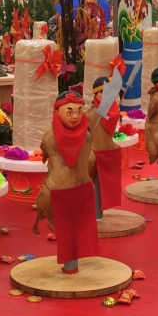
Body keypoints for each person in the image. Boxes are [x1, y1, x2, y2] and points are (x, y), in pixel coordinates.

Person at [35, 91, 99, 274]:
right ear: (57, 112)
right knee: (70, 230)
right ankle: (71, 265)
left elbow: (45, 158)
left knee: (73, 230)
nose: (75, 116)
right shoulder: (56, 137)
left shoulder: (52, 137)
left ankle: (71, 266)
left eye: (79, 111)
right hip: (67, 189)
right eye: (69, 111)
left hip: (72, 188)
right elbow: (91, 161)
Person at [86, 76, 121, 217]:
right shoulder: (90, 114)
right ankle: (94, 211)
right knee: (93, 182)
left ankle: (99, 211)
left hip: (108, 150)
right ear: (97, 94)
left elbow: (111, 124)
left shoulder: (112, 110)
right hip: (95, 152)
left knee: (107, 184)